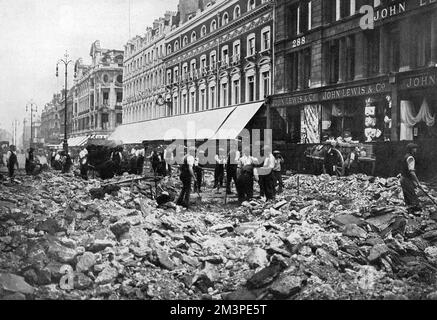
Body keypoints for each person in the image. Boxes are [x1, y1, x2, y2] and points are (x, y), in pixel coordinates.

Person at [400, 143, 422, 214]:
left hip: (403, 178)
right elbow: (412, 172)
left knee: (407, 197)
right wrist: (418, 182)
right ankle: (414, 213)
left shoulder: (405, 156)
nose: (416, 150)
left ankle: (409, 213)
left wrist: (414, 182)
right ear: (412, 150)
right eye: (414, 148)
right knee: (412, 197)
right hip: (406, 179)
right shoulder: (410, 158)